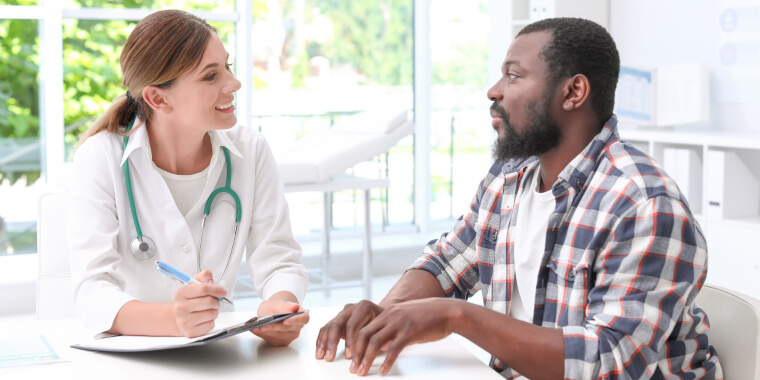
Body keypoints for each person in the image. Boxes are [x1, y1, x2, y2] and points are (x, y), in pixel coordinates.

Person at [315, 17, 723, 379]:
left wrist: (457, 316)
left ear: (573, 92)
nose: (494, 91)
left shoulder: (644, 204)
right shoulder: (510, 175)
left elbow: (605, 364)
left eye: (513, 76)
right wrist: (385, 317)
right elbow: (448, 262)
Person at [69, 10, 308, 345]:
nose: (234, 83)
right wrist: (172, 318)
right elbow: (92, 290)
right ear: (157, 98)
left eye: (227, 66)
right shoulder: (100, 158)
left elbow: (279, 256)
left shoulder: (251, 151)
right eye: (211, 76)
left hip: (219, 356)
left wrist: (279, 307)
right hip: (132, 359)